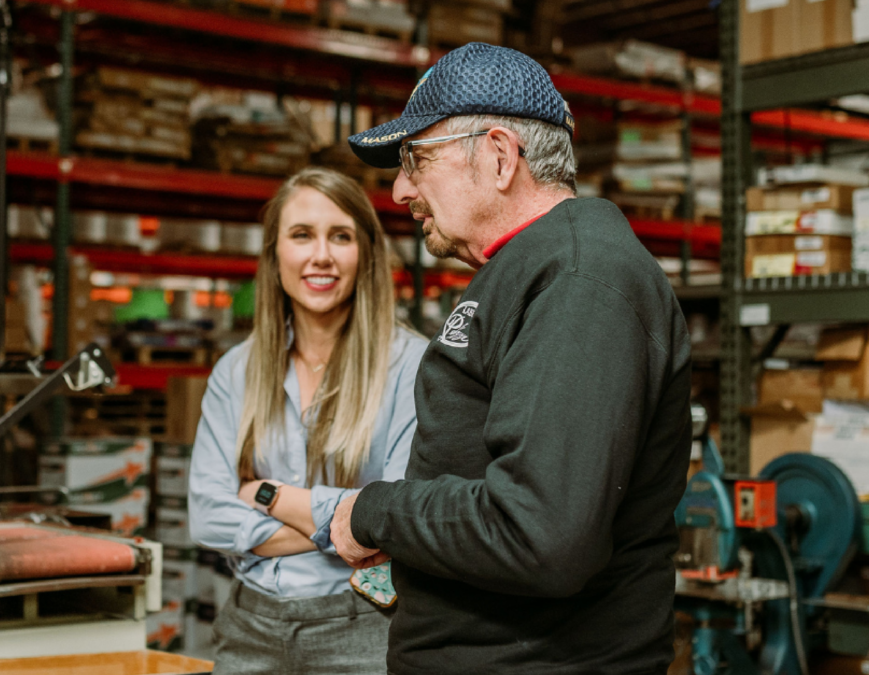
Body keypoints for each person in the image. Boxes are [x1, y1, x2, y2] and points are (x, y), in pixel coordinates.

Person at [329, 42, 692, 675]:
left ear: (499, 155)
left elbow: (540, 535)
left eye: (416, 158)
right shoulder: (536, 269)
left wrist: (375, 512)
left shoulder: (583, 279)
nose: (399, 190)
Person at [189, 166, 428, 674]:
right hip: (249, 625)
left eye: (340, 236)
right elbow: (207, 515)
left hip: (363, 624)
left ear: (365, 253)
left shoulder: (411, 366)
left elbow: (402, 516)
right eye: (301, 235)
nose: (321, 255)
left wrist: (267, 496)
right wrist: (351, 522)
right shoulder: (237, 370)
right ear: (275, 253)